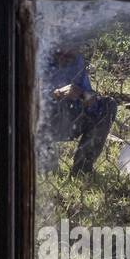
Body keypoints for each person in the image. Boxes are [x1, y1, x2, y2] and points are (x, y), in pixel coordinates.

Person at [40, 44, 117, 176]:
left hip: (73, 119)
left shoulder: (76, 60)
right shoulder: (37, 58)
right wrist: (57, 93)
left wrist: (84, 95)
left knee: (108, 105)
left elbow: (90, 98)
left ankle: (82, 168)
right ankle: (46, 168)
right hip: (44, 122)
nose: (72, 51)